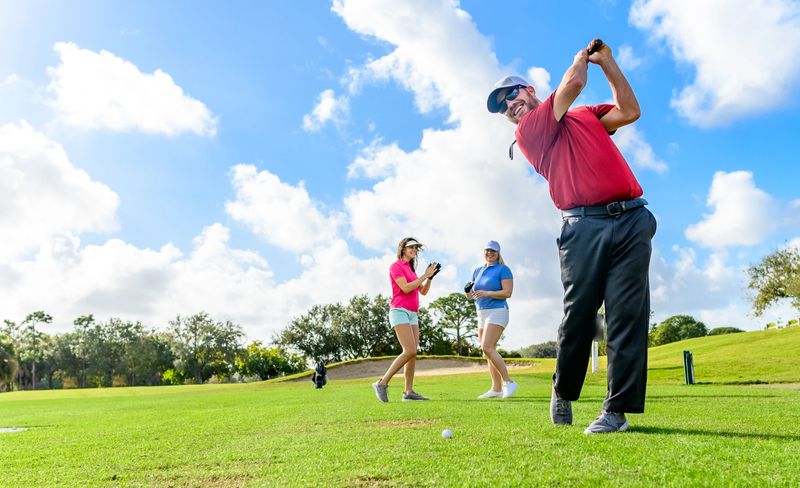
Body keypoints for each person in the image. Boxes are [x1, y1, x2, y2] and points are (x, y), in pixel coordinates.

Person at [486, 39, 657, 434]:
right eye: (503, 107)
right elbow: (574, 83)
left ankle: (616, 411)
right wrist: (583, 58)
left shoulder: (583, 117)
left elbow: (630, 111)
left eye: (512, 95)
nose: (510, 106)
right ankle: (563, 389)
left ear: (529, 89)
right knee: (579, 317)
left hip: (632, 220)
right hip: (583, 227)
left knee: (627, 316)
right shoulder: (531, 130)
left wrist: (609, 62)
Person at [372, 237, 439, 403]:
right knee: (409, 351)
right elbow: (406, 288)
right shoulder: (396, 266)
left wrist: (430, 277)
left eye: (416, 248)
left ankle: (408, 392)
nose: (414, 250)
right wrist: (425, 274)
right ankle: (381, 383)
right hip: (399, 310)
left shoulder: (411, 270)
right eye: (411, 247)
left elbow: (422, 291)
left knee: (413, 354)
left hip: (412, 313)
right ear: (402, 248)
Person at [468, 240, 518, 399]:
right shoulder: (478, 271)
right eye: (487, 251)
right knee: (486, 352)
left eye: (493, 251)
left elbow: (507, 292)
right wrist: (468, 292)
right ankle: (496, 389)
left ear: (498, 254)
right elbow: (472, 296)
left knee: (487, 347)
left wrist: (487, 293)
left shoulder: (503, 269)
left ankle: (509, 382)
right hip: (481, 313)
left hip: (497, 311)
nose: (489, 253)